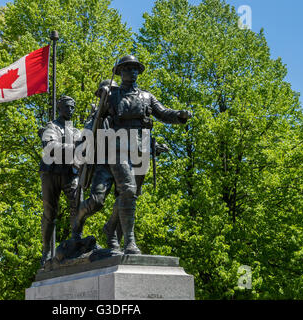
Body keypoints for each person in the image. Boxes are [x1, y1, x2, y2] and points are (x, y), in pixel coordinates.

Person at [72, 55, 192, 254]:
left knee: (128, 195)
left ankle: (111, 230)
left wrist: (179, 114)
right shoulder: (111, 94)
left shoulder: (147, 97)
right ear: (119, 72)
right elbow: (94, 123)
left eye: (135, 68)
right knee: (99, 200)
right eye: (127, 68)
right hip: (114, 149)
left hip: (139, 150)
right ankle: (122, 239)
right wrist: (101, 95)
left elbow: (163, 113)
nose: (132, 71)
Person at [39, 96, 81, 266]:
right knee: (50, 212)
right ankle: (46, 250)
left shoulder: (76, 131)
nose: (70, 110)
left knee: (77, 205)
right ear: (60, 108)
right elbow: (51, 147)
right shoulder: (51, 127)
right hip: (51, 172)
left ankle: (76, 240)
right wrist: (76, 148)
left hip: (69, 172)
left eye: (72, 107)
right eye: (67, 107)